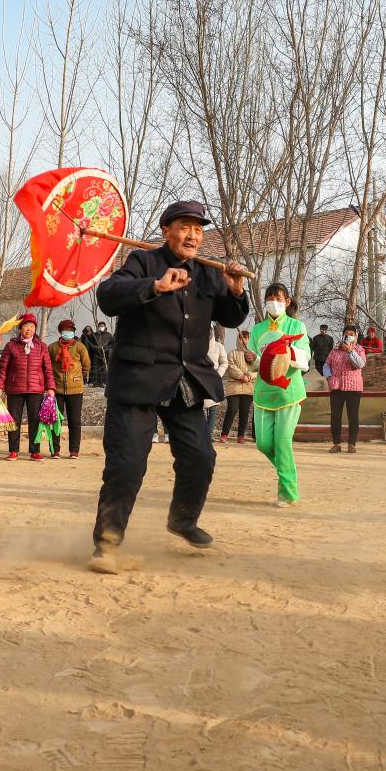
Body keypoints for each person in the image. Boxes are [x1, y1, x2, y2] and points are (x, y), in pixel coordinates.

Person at [89, 201, 250, 573]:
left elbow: (230, 315)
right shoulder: (142, 263)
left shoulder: (209, 273)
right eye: (184, 226)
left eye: (198, 228)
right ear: (166, 230)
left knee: (200, 457)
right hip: (138, 380)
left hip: (186, 381)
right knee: (127, 465)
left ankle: (183, 519)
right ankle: (107, 544)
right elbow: (109, 296)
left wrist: (236, 290)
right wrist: (155, 286)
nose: (193, 235)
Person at [248, 283, 309, 507]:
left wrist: (284, 350)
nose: (274, 301)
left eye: (279, 297)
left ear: (288, 301)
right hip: (263, 393)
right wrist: (251, 359)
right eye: (270, 297)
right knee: (263, 444)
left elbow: (304, 359)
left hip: (288, 392)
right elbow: (256, 363)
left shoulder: (296, 326)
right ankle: (288, 471)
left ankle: (287, 490)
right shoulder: (257, 330)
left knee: (282, 443)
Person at [0, 313, 55, 461]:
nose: (29, 329)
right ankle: (13, 450)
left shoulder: (42, 346)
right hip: (15, 389)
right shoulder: (11, 346)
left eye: (32, 326)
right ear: (20, 328)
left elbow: (47, 368)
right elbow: (3, 369)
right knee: (13, 420)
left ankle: (35, 451)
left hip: (36, 389)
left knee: (35, 420)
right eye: (26, 326)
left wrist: (51, 388)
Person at [49, 319, 91, 458]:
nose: (69, 333)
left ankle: (74, 450)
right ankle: (55, 450)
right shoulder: (53, 347)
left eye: (71, 330)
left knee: (75, 421)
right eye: (66, 330)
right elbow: (48, 367)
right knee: (55, 421)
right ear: (61, 332)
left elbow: (86, 366)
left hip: (75, 390)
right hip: (57, 389)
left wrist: (78, 378)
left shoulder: (80, 347)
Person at [326, 324, 366, 453]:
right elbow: (327, 365)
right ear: (343, 335)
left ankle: (352, 444)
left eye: (352, 334)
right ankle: (336, 443)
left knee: (353, 416)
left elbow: (359, 364)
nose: (349, 336)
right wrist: (329, 377)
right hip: (336, 387)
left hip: (353, 387)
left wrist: (350, 351)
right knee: (335, 416)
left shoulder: (359, 349)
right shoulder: (335, 350)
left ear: (356, 336)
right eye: (347, 333)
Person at [221, 330, 256, 444]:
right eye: (241, 338)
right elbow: (230, 367)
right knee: (232, 410)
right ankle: (224, 434)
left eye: (246, 338)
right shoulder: (232, 353)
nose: (243, 340)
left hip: (248, 387)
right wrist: (241, 376)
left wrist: (249, 376)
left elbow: (258, 369)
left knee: (245, 412)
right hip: (234, 387)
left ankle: (241, 435)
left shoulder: (253, 354)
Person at [204, 324, 229, 437]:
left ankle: (209, 434)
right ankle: (201, 434)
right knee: (199, 408)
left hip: (214, 380)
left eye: (209, 329)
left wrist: (218, 375)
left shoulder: (218, 346)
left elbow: (224, 362)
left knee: (213, 408)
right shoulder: (196, 345)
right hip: (199, 380)